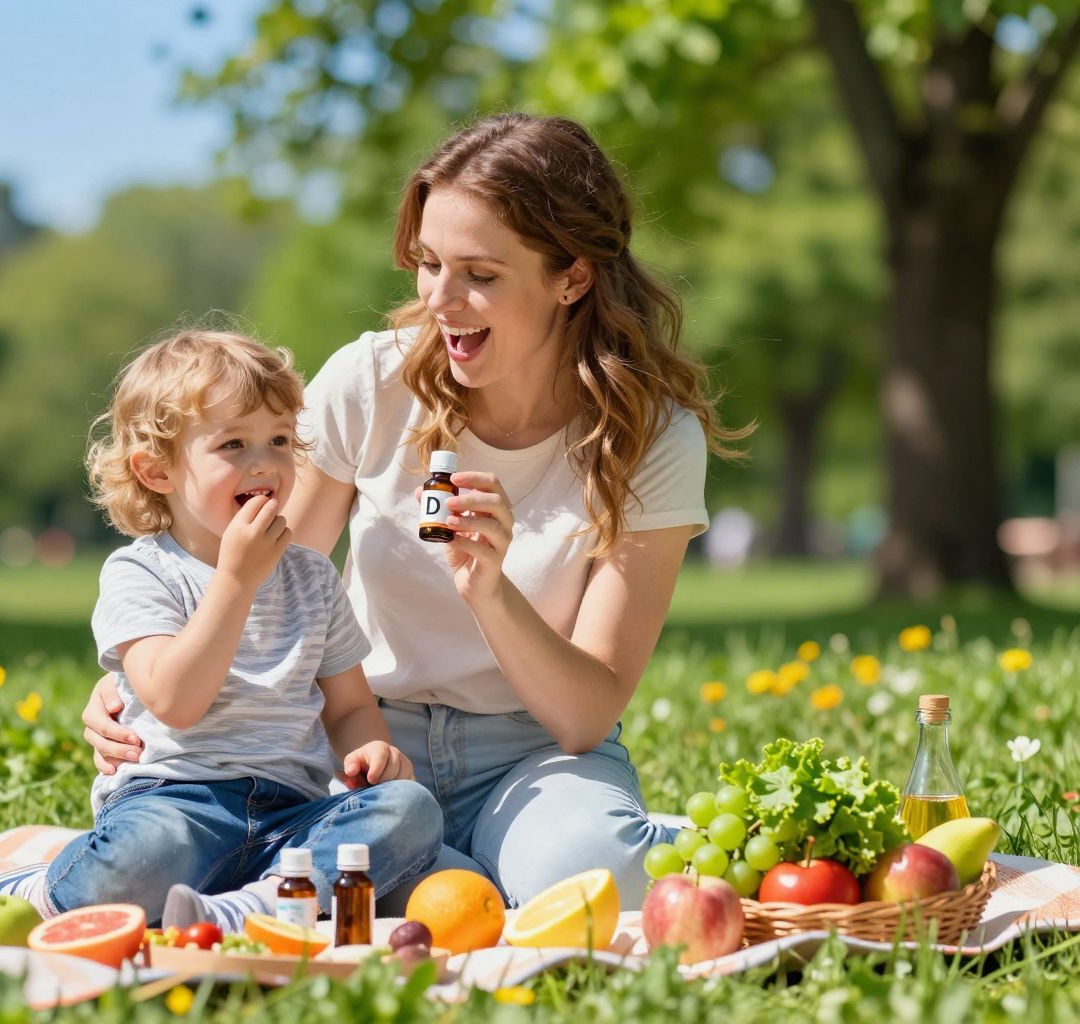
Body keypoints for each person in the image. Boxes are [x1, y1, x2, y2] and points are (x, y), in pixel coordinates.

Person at [84, 114, 749, 914]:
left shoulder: (653, 436)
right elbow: (252, 581)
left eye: (481, 274)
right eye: (429, 264)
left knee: (600, 877)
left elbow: (583, 715)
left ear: (571, 276)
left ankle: (508, 859)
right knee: (374, 869)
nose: (440, 299)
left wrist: (488, 588)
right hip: (366, 743)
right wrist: (138, 682)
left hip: (534, 754)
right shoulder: (372, 382)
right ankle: (458, 873)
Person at [0, 330, 443, 928]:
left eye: (280, 440)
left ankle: (255, 908)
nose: (263, 461)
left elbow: (347, 708)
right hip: (175, 804)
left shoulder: (312, 578)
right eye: (233, 444)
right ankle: (39, 892)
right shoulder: (141, 572)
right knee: (145, 855)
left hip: (292, 813)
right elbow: (176, 702)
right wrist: (236, 582)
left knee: (409, 810)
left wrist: (368, 747)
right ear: (157, 470)